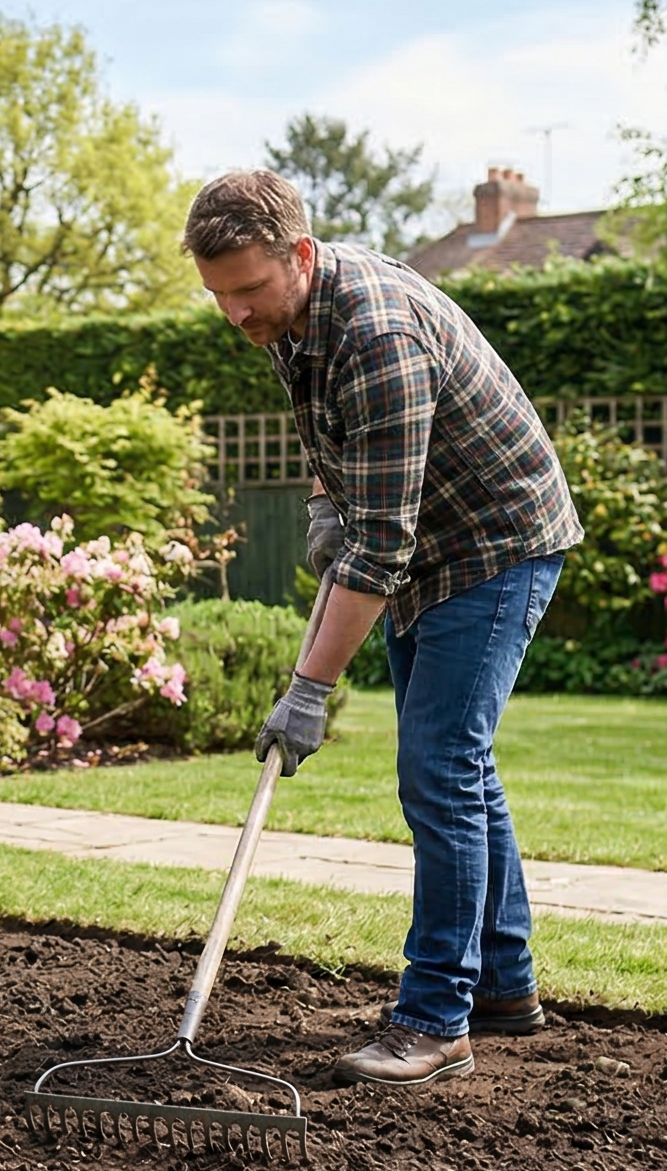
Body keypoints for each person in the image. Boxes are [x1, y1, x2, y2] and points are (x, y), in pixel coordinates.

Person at [183, 171, 582, 1089]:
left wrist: (308, 691)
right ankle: (505, 986)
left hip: (493, 544)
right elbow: (334, 441)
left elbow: (381, 552)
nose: (235, 312)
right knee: (459, 764)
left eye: (249, 289)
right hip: (425, 539)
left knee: (439, 769)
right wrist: (328, 500)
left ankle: (437, 1020)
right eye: (218, 295)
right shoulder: (289, 320)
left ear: (301, 255)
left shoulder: (378, 332)